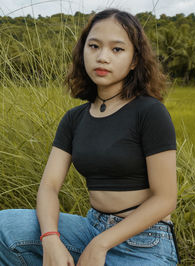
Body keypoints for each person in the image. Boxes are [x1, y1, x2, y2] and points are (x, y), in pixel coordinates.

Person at [0, 8, 180, 266]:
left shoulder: (150, 113)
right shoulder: (74, 119)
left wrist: (101, 243)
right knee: (5, 226)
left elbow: (165, 198)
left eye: (117, 49)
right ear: (83, 51)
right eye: (94, 46)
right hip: (89, 228)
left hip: (144, 241)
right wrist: (50, 238)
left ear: (134, 61)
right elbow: (49, 186)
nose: (102, 57)